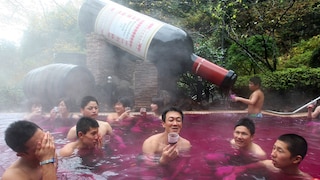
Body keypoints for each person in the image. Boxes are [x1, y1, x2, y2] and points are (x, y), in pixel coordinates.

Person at [216, 133, 313, 180]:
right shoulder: (268, 165)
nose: (272, 154)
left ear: (296, 159)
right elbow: (242, 168)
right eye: (274, 148)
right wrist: (233, 173)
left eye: (280, 150)